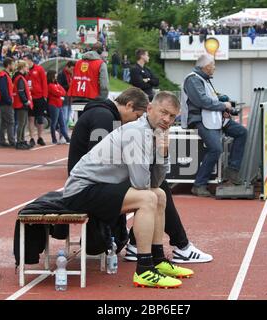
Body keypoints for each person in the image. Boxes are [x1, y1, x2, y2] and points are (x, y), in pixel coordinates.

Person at [63, 91, 194, 288]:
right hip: (81, 190)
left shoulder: (153, 133)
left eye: (172, 116)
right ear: (149, 109)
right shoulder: (137, 133)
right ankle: (144, 269)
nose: (167, 119)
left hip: (100, 187)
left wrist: (163, 153)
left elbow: (156, 184)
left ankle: (158, 260)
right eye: (163, 112)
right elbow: (141, 184)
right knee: (148, 198)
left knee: (158, 195)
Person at [181, 54, 247, 197]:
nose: (215, 68)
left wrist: (223, 109)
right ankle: (199, 185)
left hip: (214, 117)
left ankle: (232, 171)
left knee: (241, 132)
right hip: (199, 119)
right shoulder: (193, 79)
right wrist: (223, 105)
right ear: (206, 66)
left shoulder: (203, 79)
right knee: (215, 149)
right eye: (213, 65)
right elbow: (202, 102)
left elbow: (211, 99)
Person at [23, 53, 48, 147]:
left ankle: (40, 137)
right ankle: (32, 138)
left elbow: (44, 82)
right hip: (30, 98)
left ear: (30, 60)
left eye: (25, 60)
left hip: (39, 97)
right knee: (31, 118)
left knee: (40, 118)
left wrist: (45, 96)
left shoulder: (39, 69)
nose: (24, 62)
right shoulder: (25, 70)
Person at [0, 57, 15, 148]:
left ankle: (2, 140)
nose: (14, 66)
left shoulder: (4, 75)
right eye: (13, 64)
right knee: (10, 121)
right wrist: (9, 100)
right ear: (9, 65)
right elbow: (3, 90)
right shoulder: (3, 75)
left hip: (3, 102)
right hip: (5, 102)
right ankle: (11, 141)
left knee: (4, 122)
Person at [12, 60, 33, 150]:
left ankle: (22, 139)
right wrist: (25, 101)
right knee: (21, 123)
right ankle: (19, 141)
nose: (27, 69)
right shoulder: (20, 78)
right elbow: (21, 91)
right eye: (26, 67)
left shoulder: (19, 77)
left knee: (23, 123)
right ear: (22, 67)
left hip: (21, 103)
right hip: (21, 104)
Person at [47, 70, 70, 145]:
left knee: (62, 123)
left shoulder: (56, 84)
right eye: (55, 75)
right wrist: (60, 93)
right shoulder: (50, 85)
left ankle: (67, 138)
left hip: (59, 105)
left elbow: (63, 91)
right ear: (52, 76)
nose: (56, 76)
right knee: (54, 123)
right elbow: (58, 93)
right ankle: (54, 139)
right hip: (53, 105)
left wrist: (60, 93)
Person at [57, 60, 76, 136]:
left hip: (70, 98)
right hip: (64, 98)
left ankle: (64, 133)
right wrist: (70, 86)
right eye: (71, 69)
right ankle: (62, 134)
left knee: (68, 118)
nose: (72, 70)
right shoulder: (61, 74)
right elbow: (59, 85)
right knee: (64, 117)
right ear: (67, 67)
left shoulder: (72, 75)